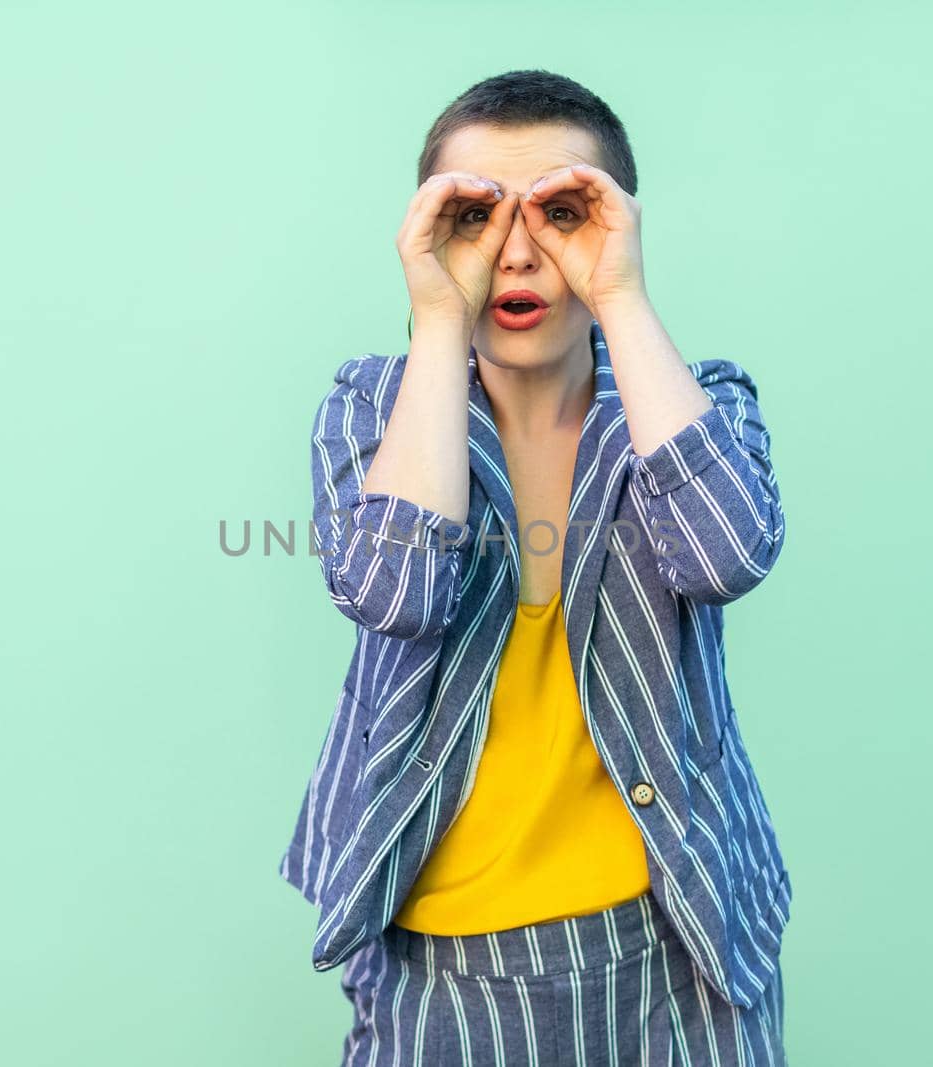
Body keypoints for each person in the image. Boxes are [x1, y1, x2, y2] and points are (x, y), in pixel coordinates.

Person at [279, 69, 791, 1065]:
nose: (518, 250)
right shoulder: (371, 412)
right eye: (475, 215)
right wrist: (437, 322)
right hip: (439, 954)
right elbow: (397, 592)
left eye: (563, 212)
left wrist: (622, 297)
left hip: (678, 930)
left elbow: (727, 553)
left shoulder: (698, 400)